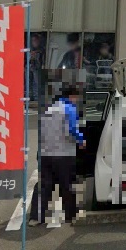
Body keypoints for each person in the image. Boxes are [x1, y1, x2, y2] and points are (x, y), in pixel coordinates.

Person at [32, 86, 85, 226]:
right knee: (67, 184)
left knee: (44, 185)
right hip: (63, 154)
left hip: (45, 153)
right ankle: (70, 216)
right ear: (72, 96)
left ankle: (36, 217)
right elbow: (71, 130)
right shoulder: (69, 109)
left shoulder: (49, 109)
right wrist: (81, 140)